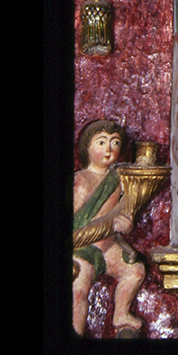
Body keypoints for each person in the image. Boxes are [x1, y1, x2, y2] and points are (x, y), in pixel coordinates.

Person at [72, 119, 145, 336]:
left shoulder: (118, 181)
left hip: (107, 247)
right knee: (79, 290)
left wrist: (127, 225)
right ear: (87, 146)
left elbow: (125, 210)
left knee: (135, 271)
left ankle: (121, 314)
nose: (109, 150)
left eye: (115, 143)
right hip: (82, 249)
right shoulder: (80, 180)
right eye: (102, 142)